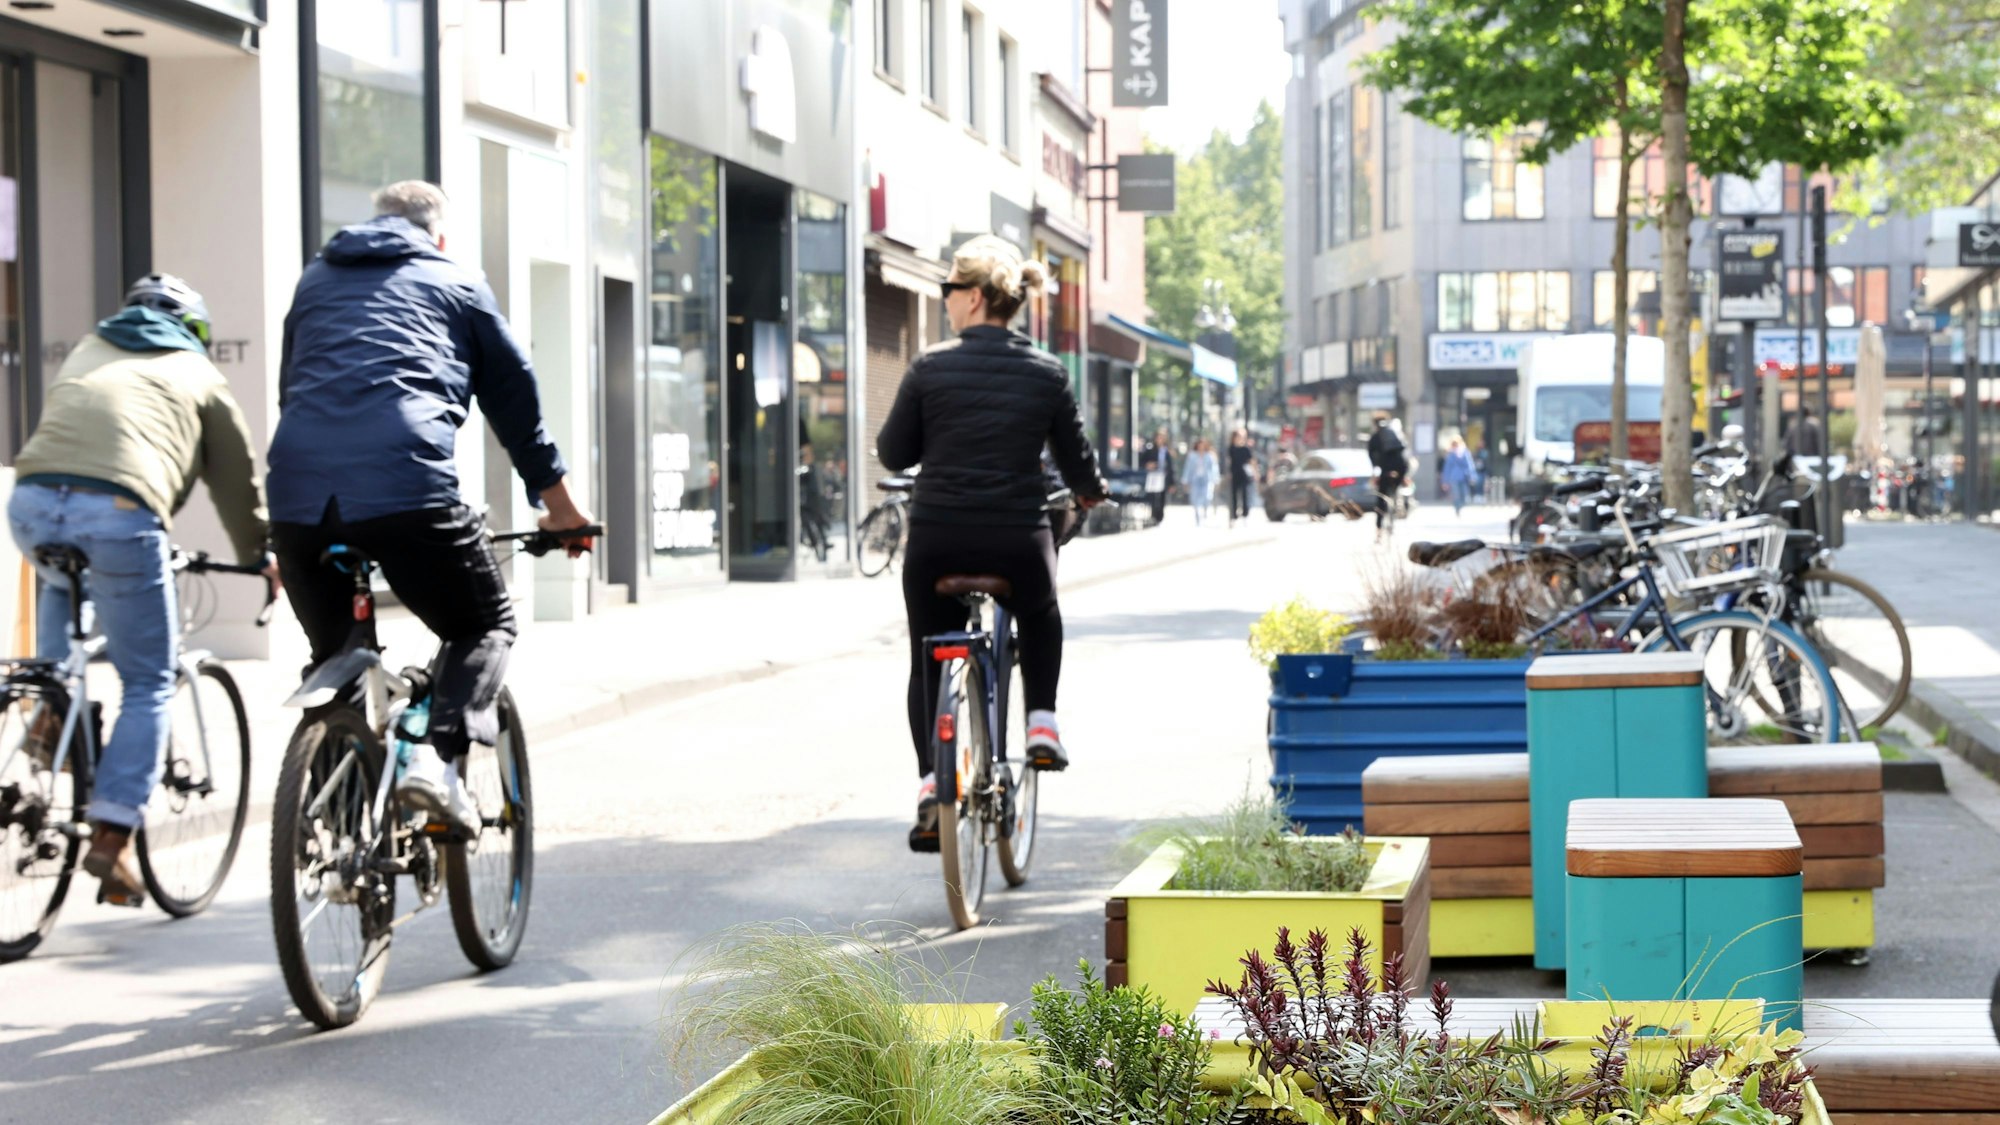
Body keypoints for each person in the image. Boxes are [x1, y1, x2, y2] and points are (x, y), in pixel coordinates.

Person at [268, 181, 595, 839]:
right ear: (437, 234)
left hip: (298, 495)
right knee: (485, 622)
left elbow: (293, 389)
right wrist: (561, 510)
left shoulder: (314, 280)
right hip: (407, 488)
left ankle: (339, 837)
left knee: (336, 651)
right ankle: (437, 764)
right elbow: (516, 408)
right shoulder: (456, 279)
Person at [8, 274, 276, 906]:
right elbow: (234, 479)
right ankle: (114, 834)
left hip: (31, 503)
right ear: (196, 331)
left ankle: (52, 703)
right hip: (122, 514)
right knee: (150, 678)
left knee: (62, 581)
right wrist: (260, 556)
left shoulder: (87, 347)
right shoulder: (197, 372)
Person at [876, 234, 1108, 852]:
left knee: (928, 650)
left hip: (938, 539)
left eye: (949, 291)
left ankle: (932, 783)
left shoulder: (930, 366)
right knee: (1039, 609)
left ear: (974, 297)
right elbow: (1075, 462)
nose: (945, 301)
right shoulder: (1047, 372)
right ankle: (1042, 723)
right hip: (1016, 538)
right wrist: (1090, 492)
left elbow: (895, 452)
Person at [1365, 411, 1409, 543]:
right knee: (1395, 491)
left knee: (1381, 501)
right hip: (1400, 468)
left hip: (1385, 470)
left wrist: (1375, 472)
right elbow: (1404, 453)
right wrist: (1404, 475)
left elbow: (1372, 458)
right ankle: (1398, 505)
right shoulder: (1395, 434)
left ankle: (1378, 532)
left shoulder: (1375, 437)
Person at [1141, 427, 1175, 526]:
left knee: (1162, 498)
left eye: (1162, 437)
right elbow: (1142, 462)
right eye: (1158, 437)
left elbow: (1171, 467)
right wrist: (1148, 465)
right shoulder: (1149, 449)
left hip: (1164, 478)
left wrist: (1172, 483)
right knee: (1153, 497)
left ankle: (1159, 518)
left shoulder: (1167, 451)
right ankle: (1154, 516)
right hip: (1153, 477)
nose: (1160, 439)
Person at [1440, 437, 1481, 516]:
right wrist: (1445, 481)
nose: (1455, 446)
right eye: (1454, 444)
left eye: (1456, 444)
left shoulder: (1465, 452)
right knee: (1456, 494)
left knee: (1465, 495)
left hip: (1464, 477)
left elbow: (1470, 465)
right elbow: (1447, 468)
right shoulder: (1450, 454)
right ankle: (1457, 508)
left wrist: (1472, 476)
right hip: (1454, 478)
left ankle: (1460, 506)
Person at [1183, 437, 1220, 526]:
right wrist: (1185, 480)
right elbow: (1188, 468)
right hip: (1195, 479)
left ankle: (1205, 511)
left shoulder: (1209, 455)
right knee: (1194, 498)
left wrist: (1216, 479)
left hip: (1206, 479)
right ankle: (1197, 515)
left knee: (1207, 497)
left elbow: (1214, 468)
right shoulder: (1192, 455)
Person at [1226, 429, 1256, 527]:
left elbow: (1251, 461)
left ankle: (1245, 515)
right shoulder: (1231, 449)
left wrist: (1255, 472)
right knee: (1233, 496)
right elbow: (1229, 462)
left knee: (1245, 495)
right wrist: (1228, 473)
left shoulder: (1246, 449)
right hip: (1234, 475)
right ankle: (1234, 516)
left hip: (1244, 475)